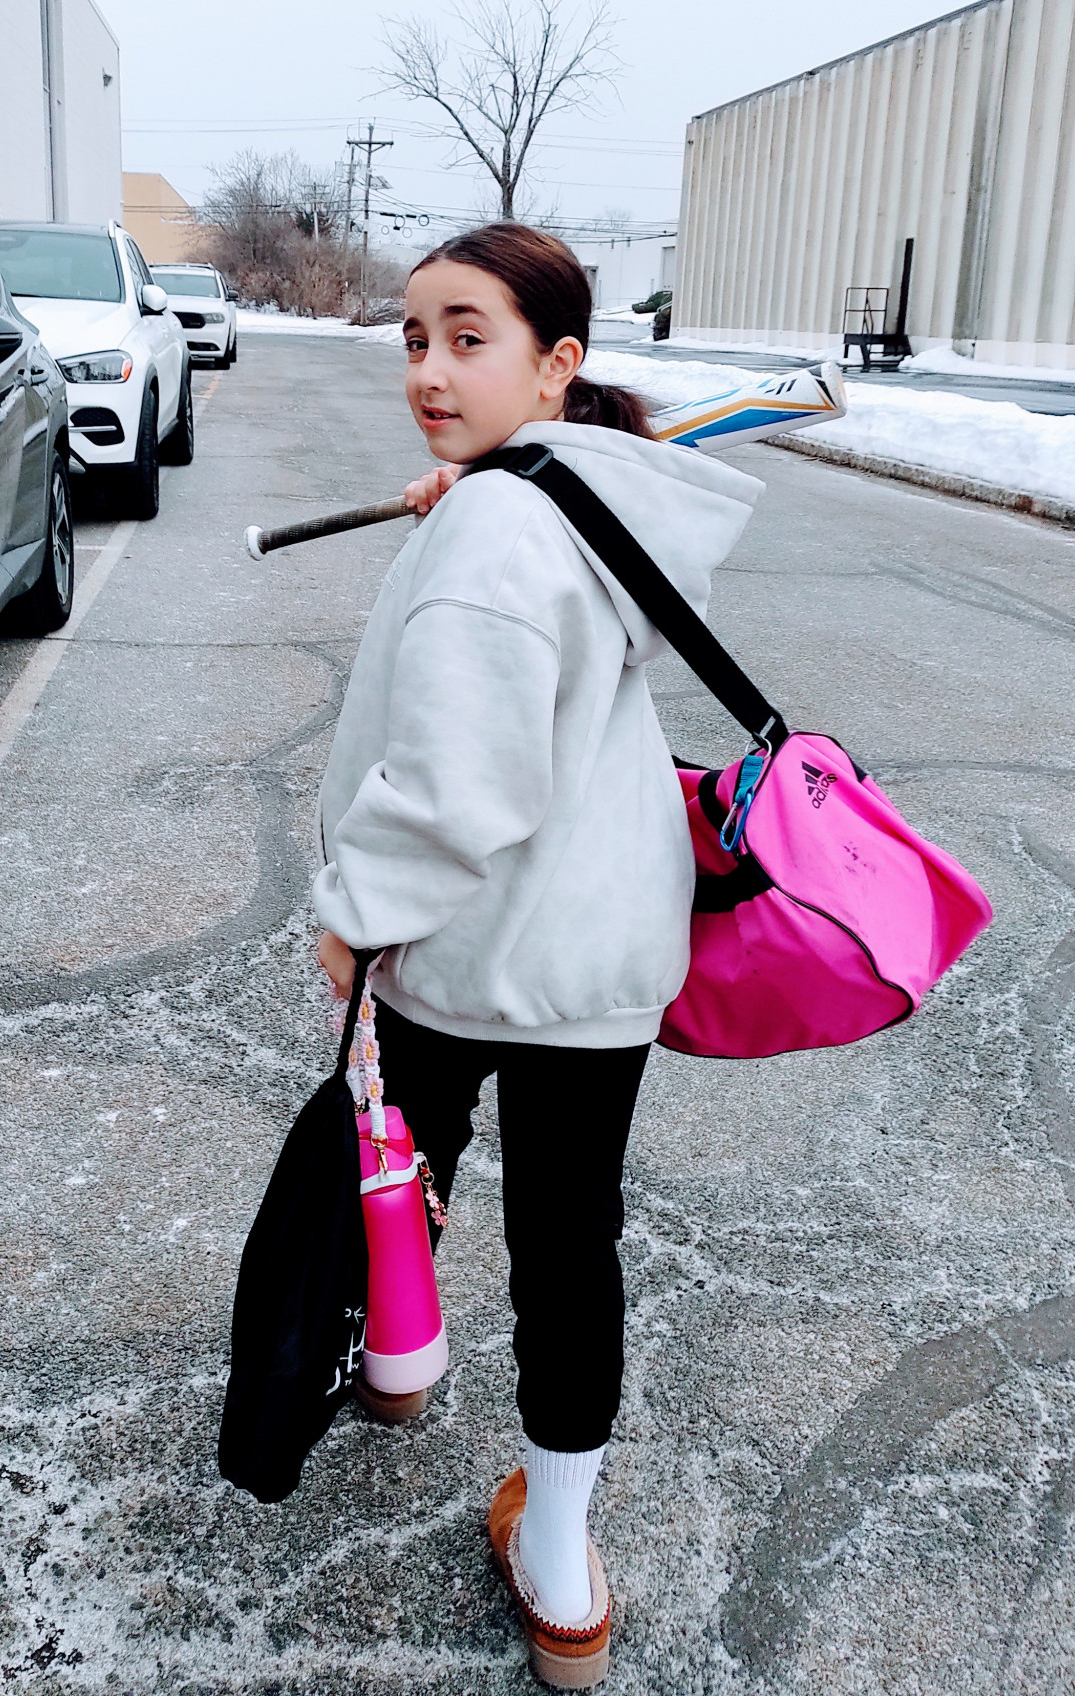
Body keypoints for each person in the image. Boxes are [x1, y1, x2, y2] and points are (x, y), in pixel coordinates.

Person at [311, 223, 761, 1689]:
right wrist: (481, 491)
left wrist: (353, 912)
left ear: (557, 364)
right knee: (568, 1243)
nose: (429, 372)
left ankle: (396, 1364)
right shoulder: (576, 489)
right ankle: (561, 1563)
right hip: (598, 949)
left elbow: (460, 784)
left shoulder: (500, 523)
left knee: (400, 1169)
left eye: (469, 339)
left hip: (465, 942)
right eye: (413, 340)